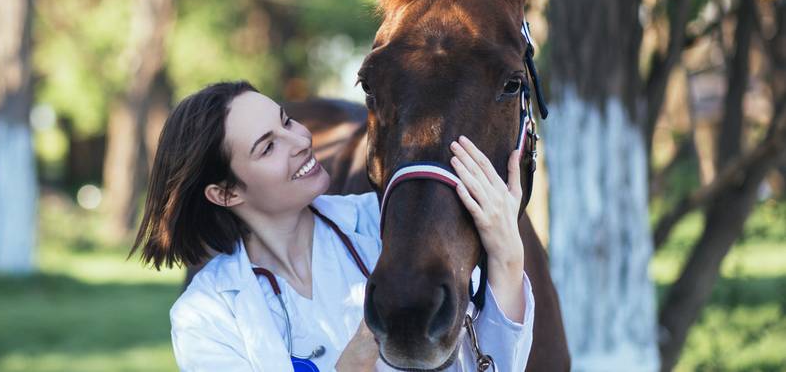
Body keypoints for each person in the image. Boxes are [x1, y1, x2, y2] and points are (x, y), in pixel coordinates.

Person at [131, 81, 534, 371]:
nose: (301, 141)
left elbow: (490, 363)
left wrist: (507, 255)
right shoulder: (206, 315)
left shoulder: (389, 228)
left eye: (287, 122)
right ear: (226, 193)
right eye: (268, 147)